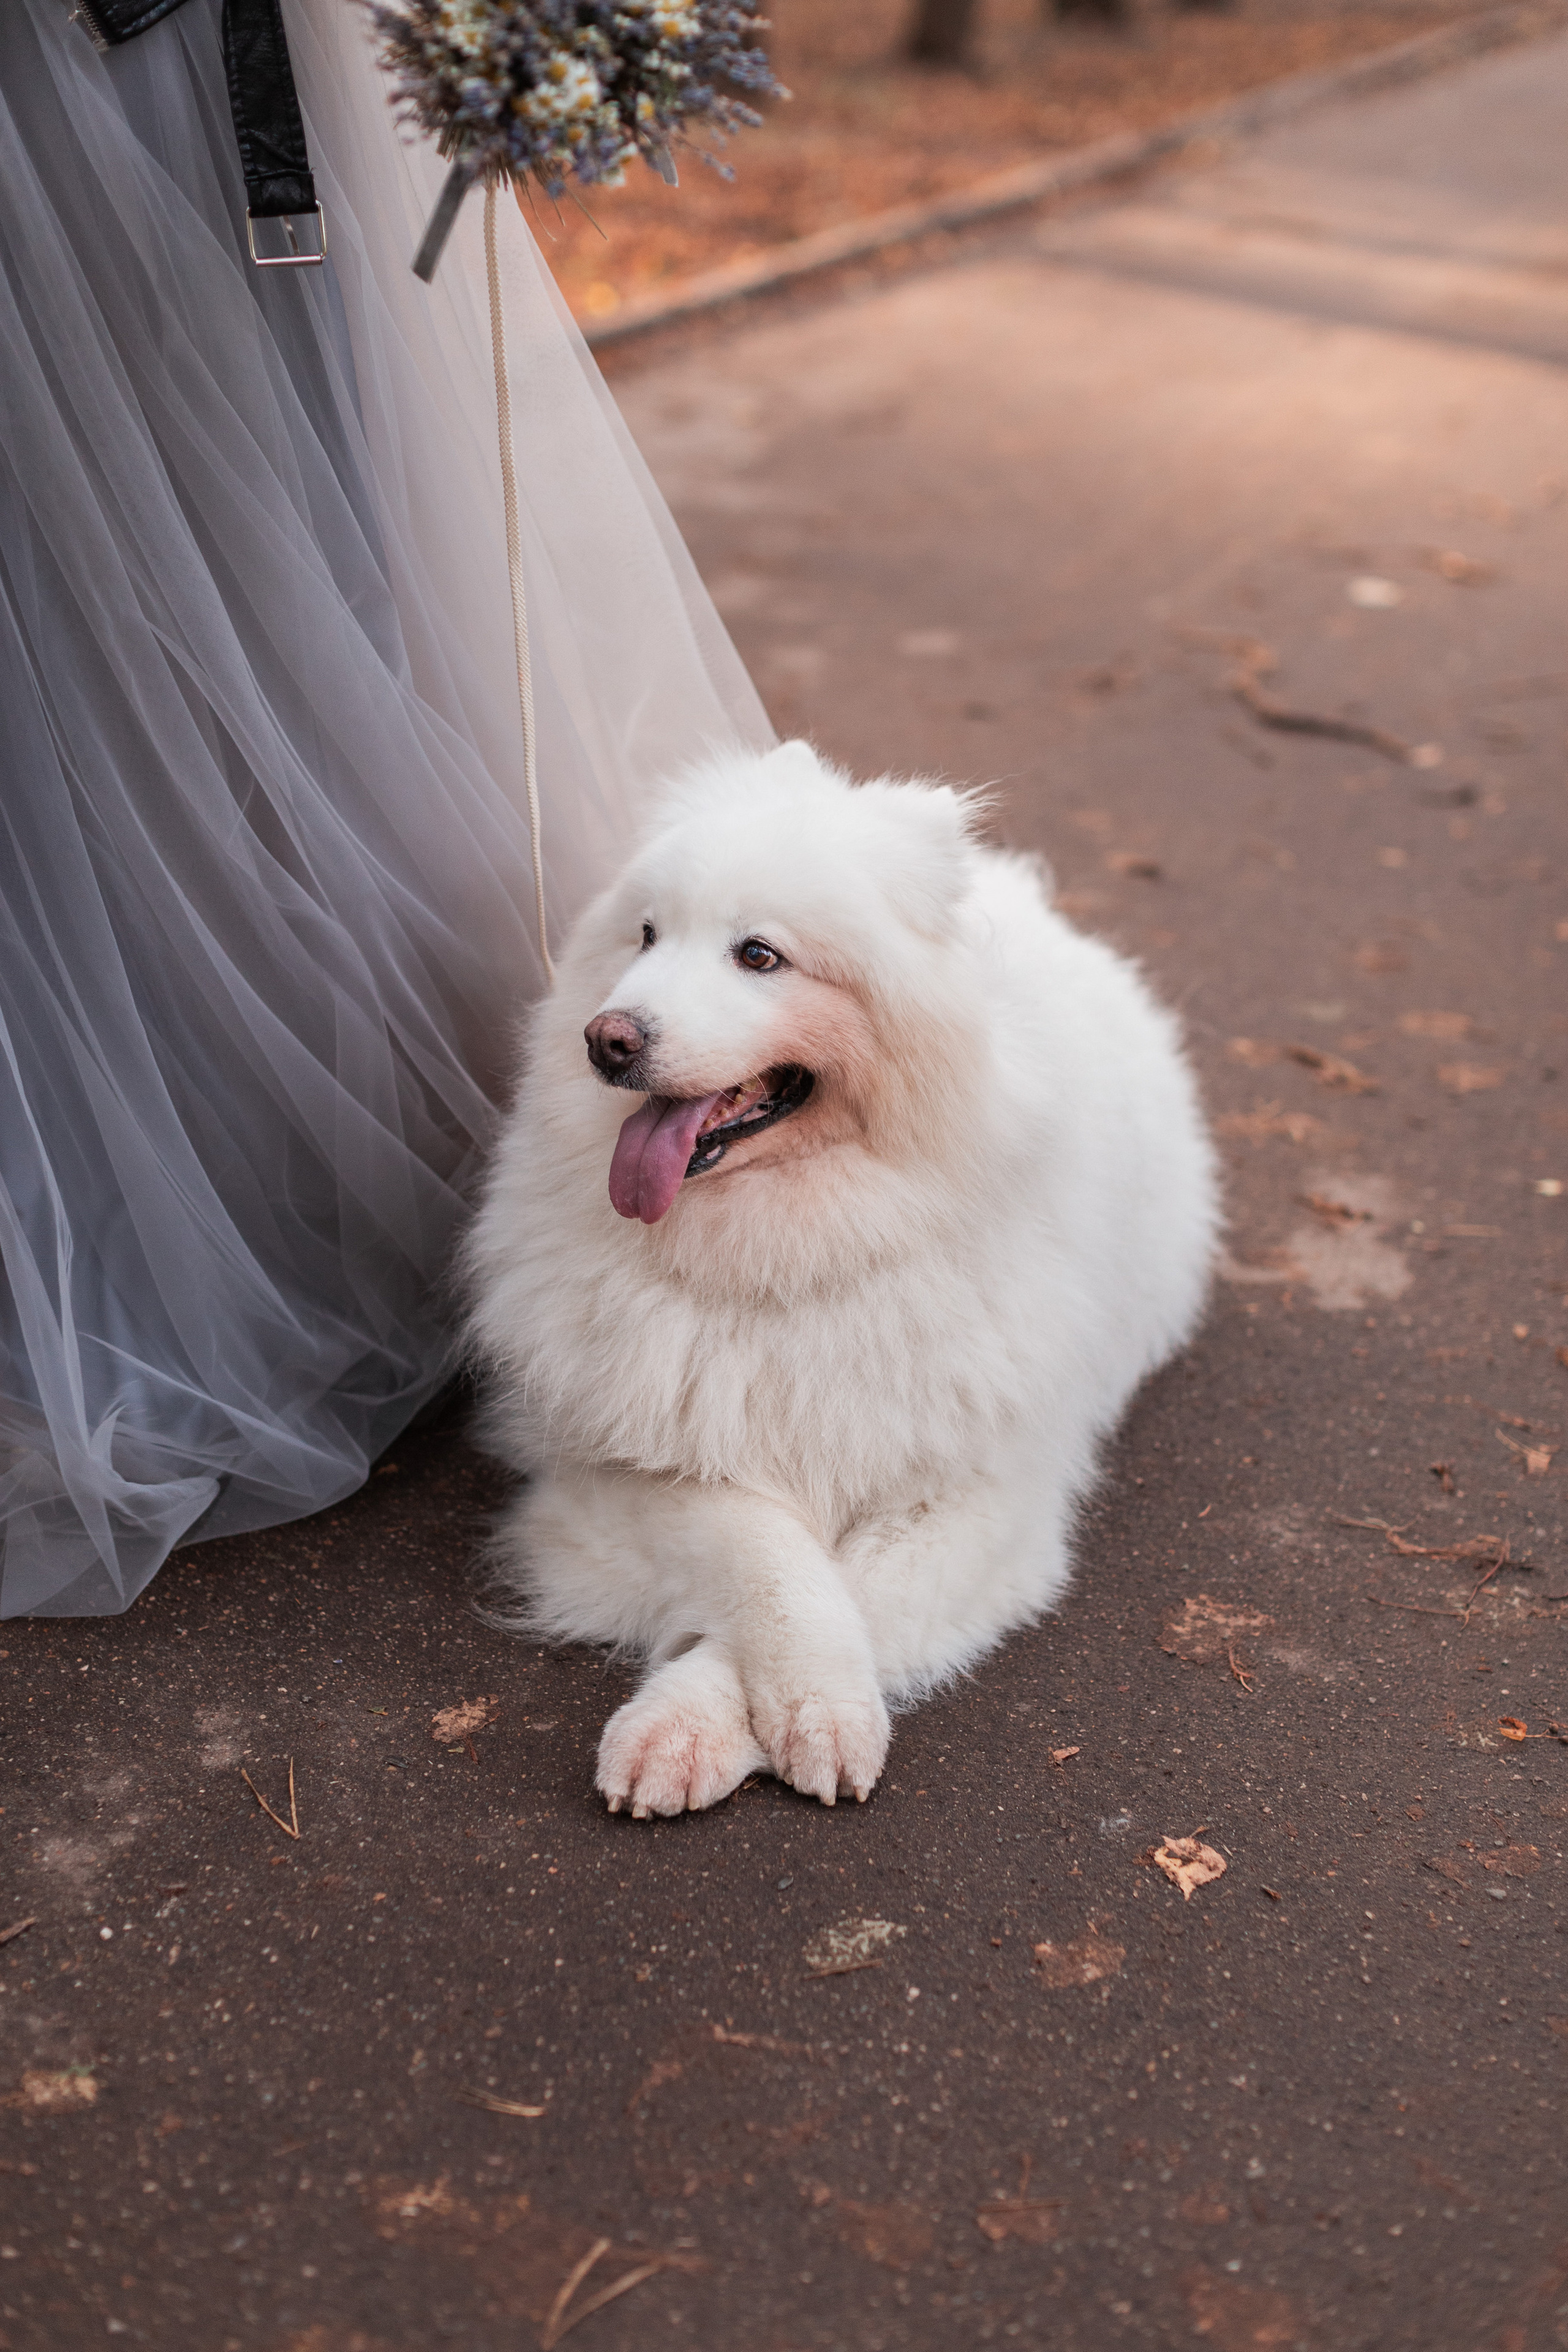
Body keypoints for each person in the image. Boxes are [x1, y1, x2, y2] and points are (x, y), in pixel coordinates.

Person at [0, 0, 771, 1616]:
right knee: (83, 628)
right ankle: (164, 1210)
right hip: (81, 95)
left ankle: (309, 1168)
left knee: (319, 577)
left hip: (238, 84)